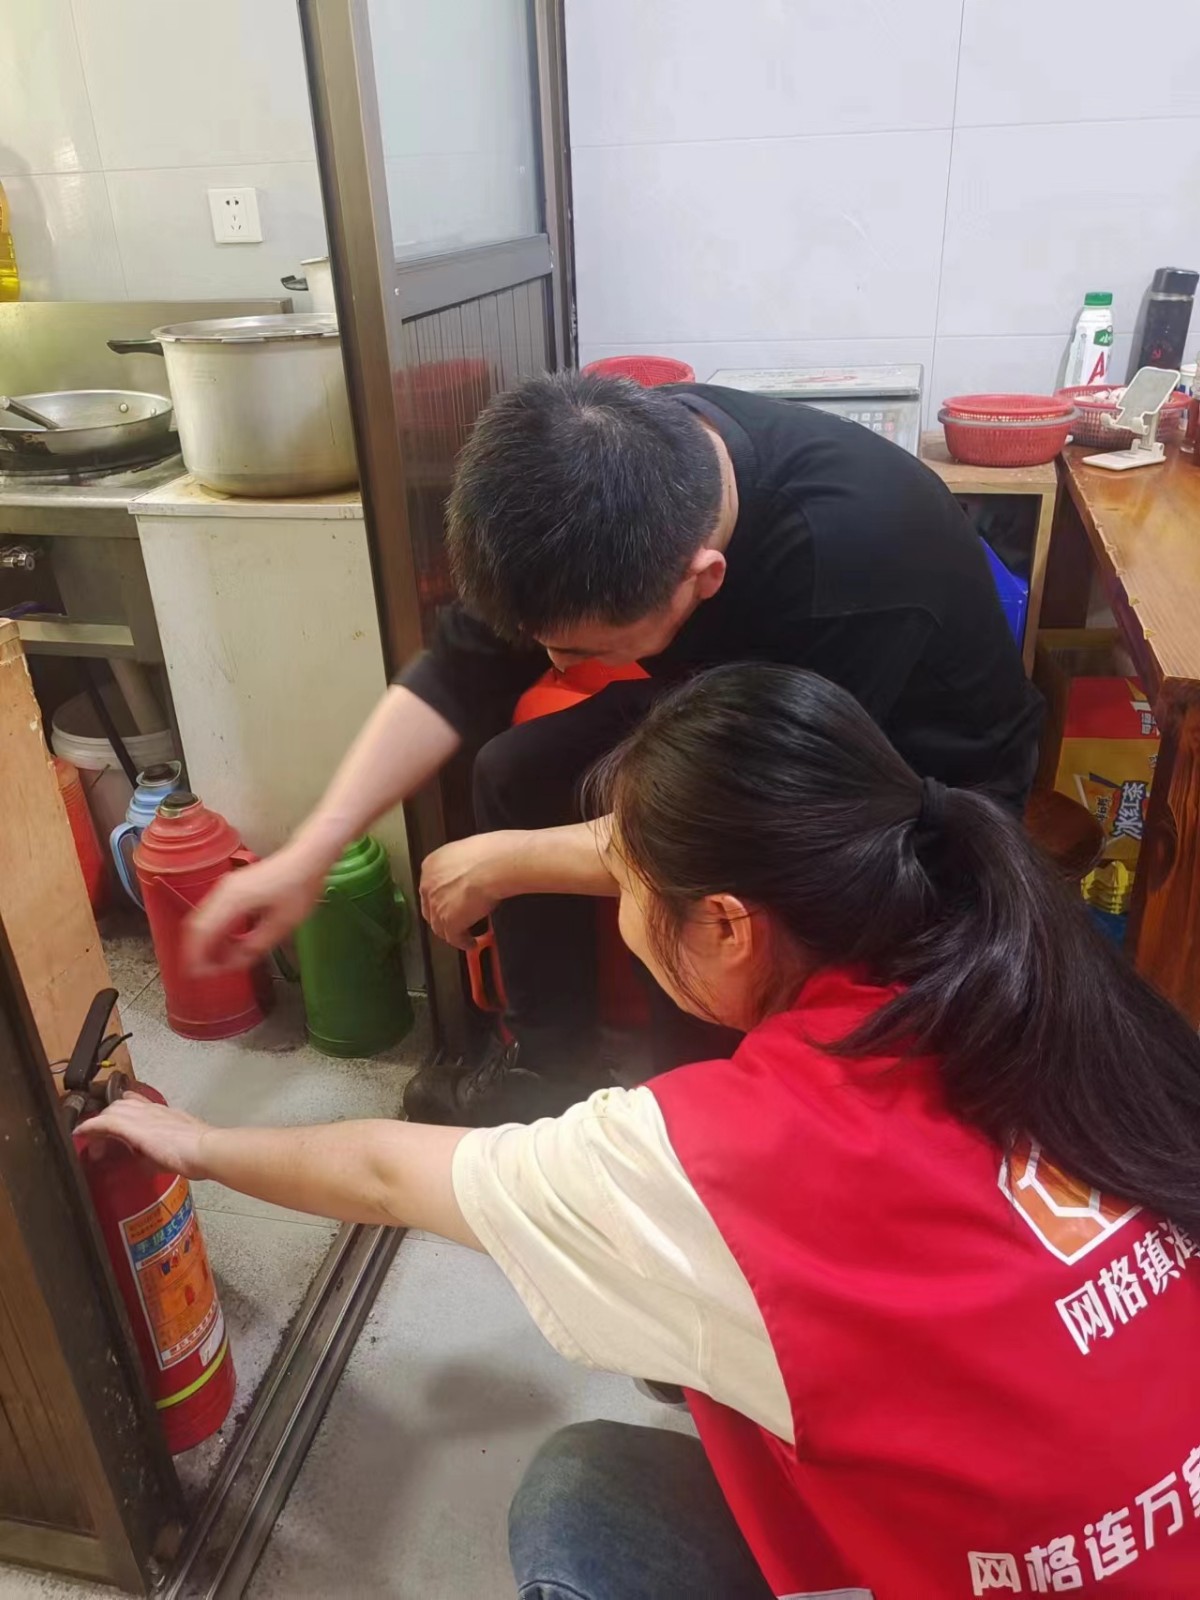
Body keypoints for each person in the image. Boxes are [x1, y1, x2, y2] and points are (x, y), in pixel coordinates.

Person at [88, 665, 1200, 1599]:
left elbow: (385, 1172)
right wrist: (513, 857)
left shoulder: (716, 1161)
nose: (617, 907)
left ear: (726, 924)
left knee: (584, 1501)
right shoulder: (1029, 963)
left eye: (624, 880)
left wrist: (198, 1144)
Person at [186, 371, 1044, 1125]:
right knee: (515, 771)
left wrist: (509, 863)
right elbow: (458, 671)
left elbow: (758, 820)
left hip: (909, 780)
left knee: (695, 915)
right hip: (738, 703)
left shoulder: (848, 566)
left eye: (583, 649)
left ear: (703, 580)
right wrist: (312, 852)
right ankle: (549, 1071)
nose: (558, 665)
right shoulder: (602, 478)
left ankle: (690, 1112)